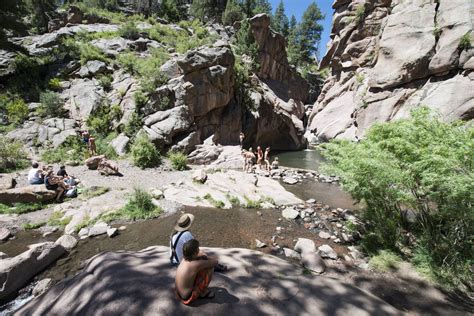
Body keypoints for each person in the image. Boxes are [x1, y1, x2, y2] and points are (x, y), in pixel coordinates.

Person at [175, 239, 217, 305]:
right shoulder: (196, 265)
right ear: (195, 252)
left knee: (199, 269)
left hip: (179, 294)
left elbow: (196, 258)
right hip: (188, 297)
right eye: (198, 248)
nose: (199, 250)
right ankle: (203, 293)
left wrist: (200, 256)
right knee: (209, 268)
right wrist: (205, 256)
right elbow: (215, 262)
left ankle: (198, 291)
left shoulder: (184, 259)